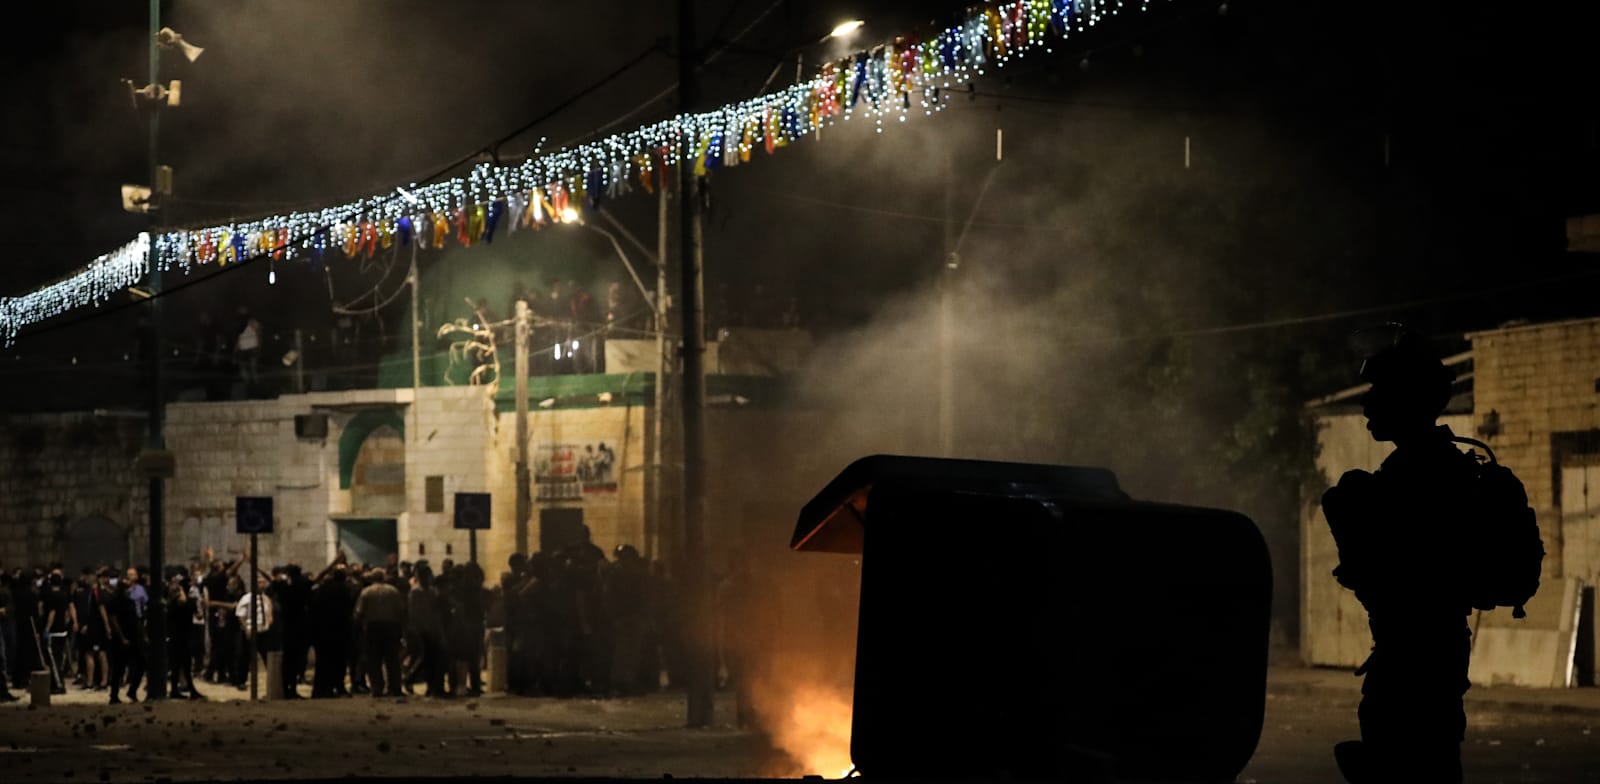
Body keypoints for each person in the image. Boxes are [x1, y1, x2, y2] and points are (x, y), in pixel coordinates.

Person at [1321, 331, 1480, 783]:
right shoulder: (1435, 467)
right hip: (1425, 649)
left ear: (1406, 400)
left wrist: (1351, 507)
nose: (1368, 406)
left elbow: (1386, 571)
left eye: (1379, 394)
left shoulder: (1419, 476)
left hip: (1414, 655)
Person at [355, 567, 405, 698]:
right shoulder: (393, 591)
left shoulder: (366, 592)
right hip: (391, 626)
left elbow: (359, 612)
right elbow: (401, 611)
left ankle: (377, 688)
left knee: (374, 660)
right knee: (392, 660)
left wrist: (360, 628)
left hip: (373, 627)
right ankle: (395, 688)